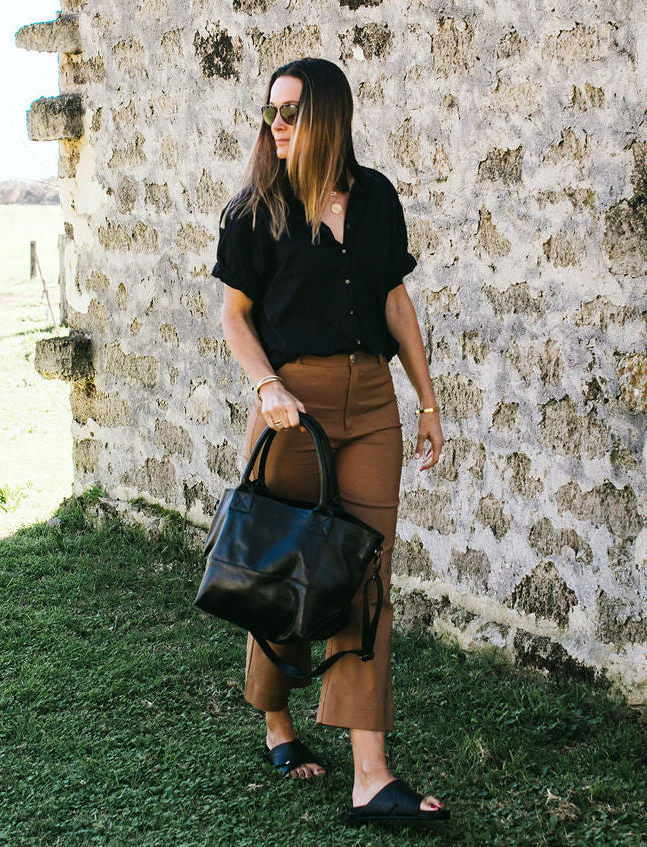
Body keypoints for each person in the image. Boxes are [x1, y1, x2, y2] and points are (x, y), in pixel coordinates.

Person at [213, 57, 448, 823]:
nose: (275, 125)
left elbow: (395, 301)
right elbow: (234, 318)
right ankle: (276, 718)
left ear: (327, 117)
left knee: (366, 576)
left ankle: (371, 776)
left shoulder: (375, 198)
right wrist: (266, 386)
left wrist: (427, 401)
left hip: (371, 398)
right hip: (292, 406)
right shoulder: (256, 210)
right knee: (281, 567)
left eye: (290, 111)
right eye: (270, 112)